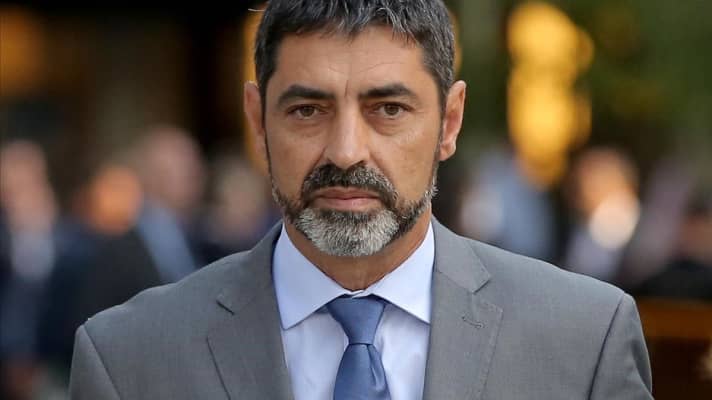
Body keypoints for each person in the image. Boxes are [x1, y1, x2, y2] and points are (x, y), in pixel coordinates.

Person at [69, 1, 653, 399]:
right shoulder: (130, 358)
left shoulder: (583, 340)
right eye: (307, 110)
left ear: (449, 122)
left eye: (388, 109)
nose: (346, 152)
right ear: (258, 120)